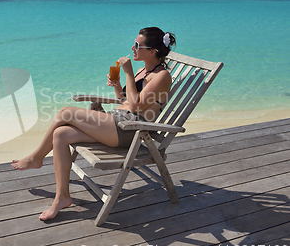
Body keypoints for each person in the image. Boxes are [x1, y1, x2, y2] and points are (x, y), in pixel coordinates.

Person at [11, 27, 176, 221]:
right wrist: (117, 85)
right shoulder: (143, 70)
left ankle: (36, 158)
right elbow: (124, 100)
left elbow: (136, 106)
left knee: (65, 112)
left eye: (138, 45)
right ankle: (62, 197)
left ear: (152, 51)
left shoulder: (161, 76)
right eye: (134, 43)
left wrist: (128, 74)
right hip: (117, 122)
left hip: (131, 130)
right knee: (61, 134)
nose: (133, 48)